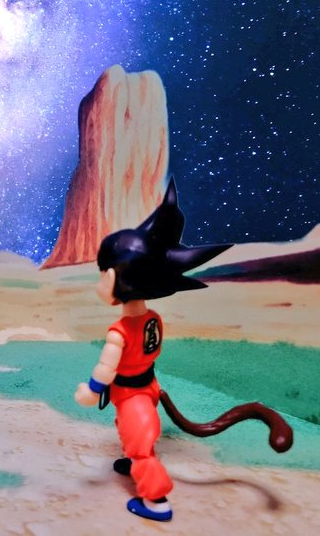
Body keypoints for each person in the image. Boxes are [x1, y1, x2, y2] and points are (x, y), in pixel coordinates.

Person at [74, 177, 231, 522]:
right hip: (147, 388)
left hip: (133, 393)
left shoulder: (119, 332)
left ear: (117, 280)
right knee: (134, 430)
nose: (100, 280)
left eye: (103, 273)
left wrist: (91, 391)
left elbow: (106, 369)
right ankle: (132, 458)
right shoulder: (153, 319)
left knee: (141, 447)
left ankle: (156, 500)